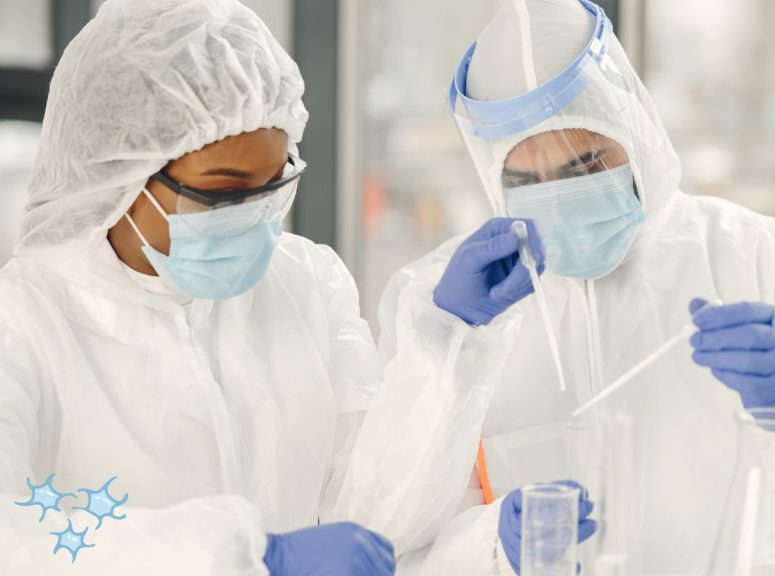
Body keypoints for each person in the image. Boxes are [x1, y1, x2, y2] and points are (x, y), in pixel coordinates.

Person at [380, 0, 775, 573]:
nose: (556, 196)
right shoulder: (444, 301)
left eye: (584, 166)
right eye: (525, 181)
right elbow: (389, 530)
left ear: (633, 129)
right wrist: (491, 544)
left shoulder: (765, 259)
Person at [0, 1, 541, 574]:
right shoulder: (23, 324)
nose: (254, 217)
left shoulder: (302, 282)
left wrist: (445, 341)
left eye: (273, 184)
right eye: (227, 191)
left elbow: (376, 516)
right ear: (120, 173)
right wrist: (242, 558)